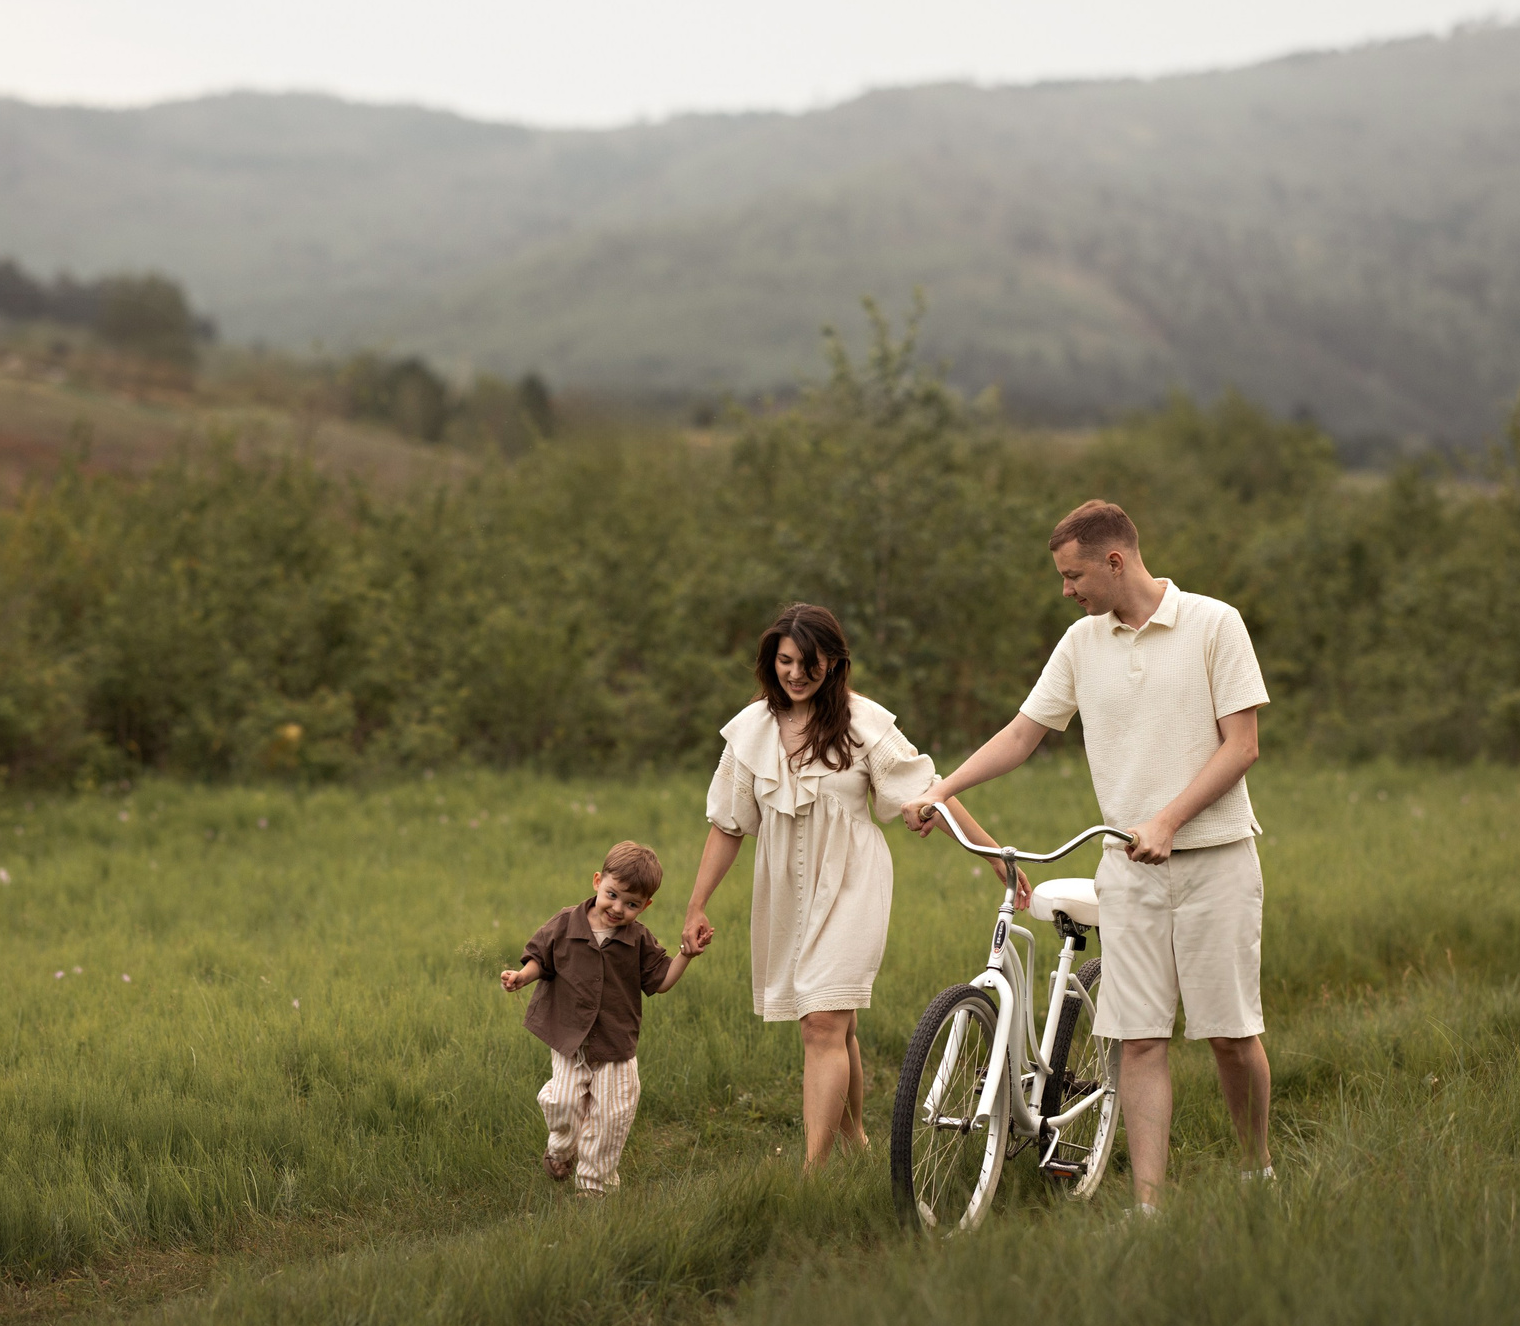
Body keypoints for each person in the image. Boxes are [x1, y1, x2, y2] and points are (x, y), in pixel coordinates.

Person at [904, 500, 1272, 1210]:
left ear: (1115, 560)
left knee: (1229, 1034)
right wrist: (941, 791)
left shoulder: (1213, 624)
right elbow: (1021, 734)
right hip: (1127, 872)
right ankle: (1149, 1208)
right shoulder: (1081, 645)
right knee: (1137, 1040)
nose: (1066, 591)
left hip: (1216, 862)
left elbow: (1243, 745)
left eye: (1073, 576)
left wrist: (1167, 819)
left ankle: (1256, 1168)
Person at [683, 603, 1016, 1170]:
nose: (795, 674)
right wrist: (697, 904)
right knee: (832, 1021)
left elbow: (930, 789)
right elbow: (727, 825)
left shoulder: (864, 725)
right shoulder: (751, 732)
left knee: (822, 1022)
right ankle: (856, 1139)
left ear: (834, 663)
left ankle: (813, 1173)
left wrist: (993, 856)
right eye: (785, 661)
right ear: (772, 661)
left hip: (853, 881)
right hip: (786, 886)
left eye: (808, 663)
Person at [502, 840, 697, 1194]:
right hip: (569, 1040)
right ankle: (561, 1147)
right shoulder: (564, 923)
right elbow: (540, 959)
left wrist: (686, 954)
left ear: (646, 905)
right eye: (612, 894)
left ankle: (595, 1189)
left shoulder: (638, 940)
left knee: (612, 1117)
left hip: (615, 1042)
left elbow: (661, 981)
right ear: (597, 881)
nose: (618, 908)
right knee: (563, 1103)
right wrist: (521, 978)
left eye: (632, 903)